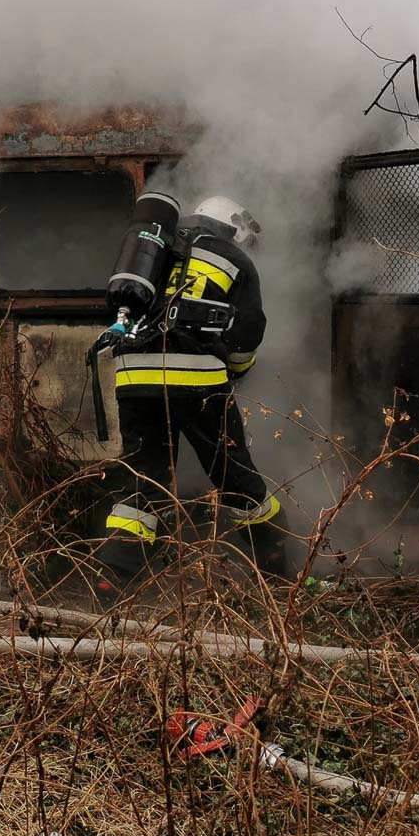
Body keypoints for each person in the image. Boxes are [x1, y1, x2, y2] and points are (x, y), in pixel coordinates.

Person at [90, 193, 290, 598]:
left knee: (141, 484)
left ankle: (113, 582)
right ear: (233, 227)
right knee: (238, 481)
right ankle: (281, 582)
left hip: (133, 380)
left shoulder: (155, 251)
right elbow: (246, 338)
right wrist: (234, 374)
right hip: (198, 384)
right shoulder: (236, 260)